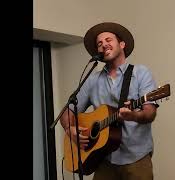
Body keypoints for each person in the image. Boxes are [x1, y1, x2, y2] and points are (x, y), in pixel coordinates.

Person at [60, 22, 158, 180]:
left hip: (136, 158)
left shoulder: (140, 73)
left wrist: (133, 116)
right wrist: (70, 129)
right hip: (103, 158)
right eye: (99, 44)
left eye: (108, 40)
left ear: (122, 44)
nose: (104, 45)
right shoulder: (92, 80)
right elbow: (67, 111)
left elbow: (150, 112)